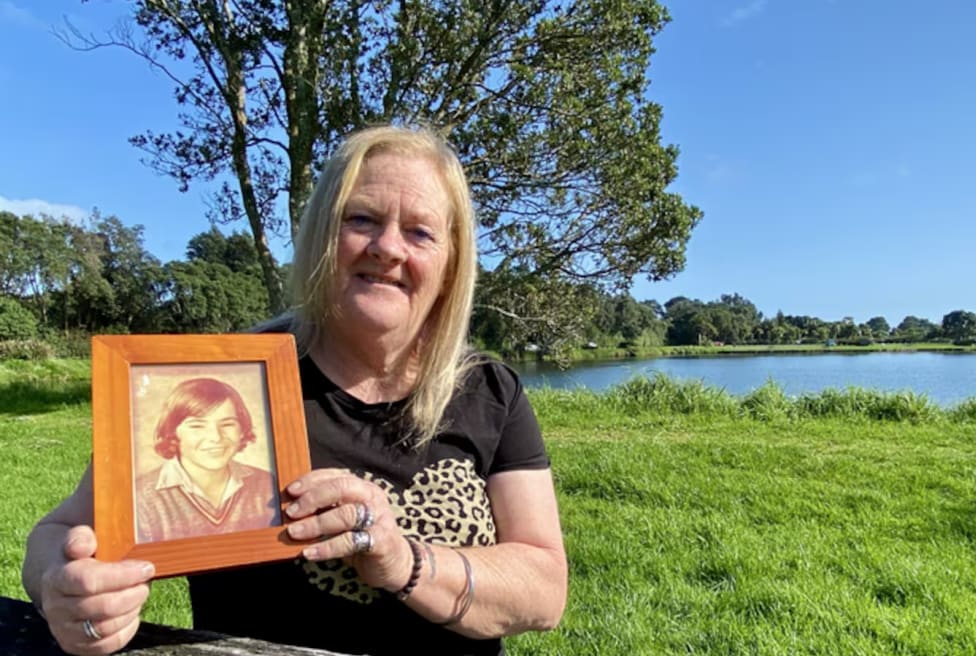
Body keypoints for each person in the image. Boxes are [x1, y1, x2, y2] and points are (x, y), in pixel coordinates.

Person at [22, 125, 567, 656]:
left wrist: (404, 562)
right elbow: (61, 533)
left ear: (450, 264)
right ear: (323, 238)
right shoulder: (229, 379)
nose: (386, 247)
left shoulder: (491, 392)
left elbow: (544, 590)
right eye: (362, 219)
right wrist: (64, 589)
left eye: (420, 232)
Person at [135, 377, 279, 543]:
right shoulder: (141, 499)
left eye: (227, 424)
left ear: (242, 430)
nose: (215, 437)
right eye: (197, 426)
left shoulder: (266, 483)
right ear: (172, 433)